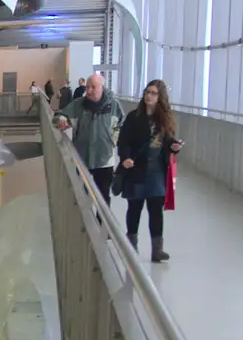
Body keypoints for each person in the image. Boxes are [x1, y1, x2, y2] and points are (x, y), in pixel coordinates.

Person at [116, 79, 183, 262]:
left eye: (153, 93)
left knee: (156, 211)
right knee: (134, 208)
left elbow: (168, 142)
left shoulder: (165, 119)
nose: (149, 96)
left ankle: (157, 250)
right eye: (147, 92)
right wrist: (125, 158)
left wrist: (174, 147)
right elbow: (124, 141)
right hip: (137, 169)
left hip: (157, 171)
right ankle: (131, 246)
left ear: (160, 97)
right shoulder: (134, 117)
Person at [53, 73, 125, 202]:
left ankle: (100, 222)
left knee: (103, 195)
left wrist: (112, 141)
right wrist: (61, 120)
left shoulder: (113, 105)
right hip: (82, 158)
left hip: (104, 159)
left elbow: (121, 125)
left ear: (102, 87)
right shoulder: (78, 104)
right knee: (81, 194)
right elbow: (60, 117)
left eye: (93, 87)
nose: (89, 91)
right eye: (87, 87)